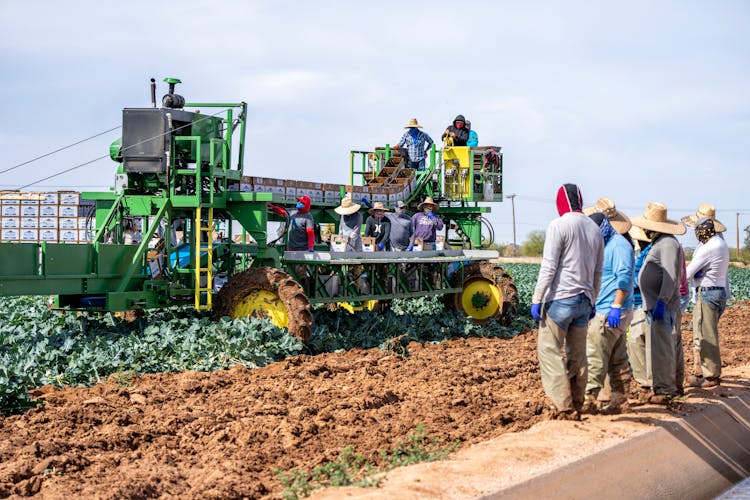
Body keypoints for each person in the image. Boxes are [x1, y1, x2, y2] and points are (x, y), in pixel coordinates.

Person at [531, 184, 604, 420]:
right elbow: (598, 272)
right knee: (578, 354)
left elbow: (549, 265)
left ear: (560, 202)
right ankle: (578, 401)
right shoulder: (595, 229)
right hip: (584, 300)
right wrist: (592, 299)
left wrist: (537, 298)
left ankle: (564, 405)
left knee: (549, 350)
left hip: (561, 299)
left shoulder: (558, 225)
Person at [630, 202, 686, 404]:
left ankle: (665, 390)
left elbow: (671, 276)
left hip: (663, 306)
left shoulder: (668, 244)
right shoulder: (662, 243)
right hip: (657, 306)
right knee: (665, 346)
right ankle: (671, 387)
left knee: (663, 349)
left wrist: (662, 300)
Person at [581, 205, 634, 415]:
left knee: (594, 355)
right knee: (617, 357)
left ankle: (588, 400)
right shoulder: (607, 244)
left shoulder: (618, 245)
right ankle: (619, 400)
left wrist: (616, 306)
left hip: (611, 311)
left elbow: (624, 276)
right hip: (608, 310)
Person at [681, 203, 729, 380]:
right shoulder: (720, 242)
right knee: (706, 332)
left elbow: (687, 274)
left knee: (705, 335)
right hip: (719, 291)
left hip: (708, 292)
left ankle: (710, 375)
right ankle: (702, 371)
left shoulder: (708, 247)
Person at [627, 225, 653, 397]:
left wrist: (626, 281)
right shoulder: (644, 253)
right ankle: (646, 382)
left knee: (636, 342)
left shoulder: (649, 253)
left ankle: (646, 383)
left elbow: (643, 279)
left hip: (643, 303)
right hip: (638, 303)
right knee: (638, 342)